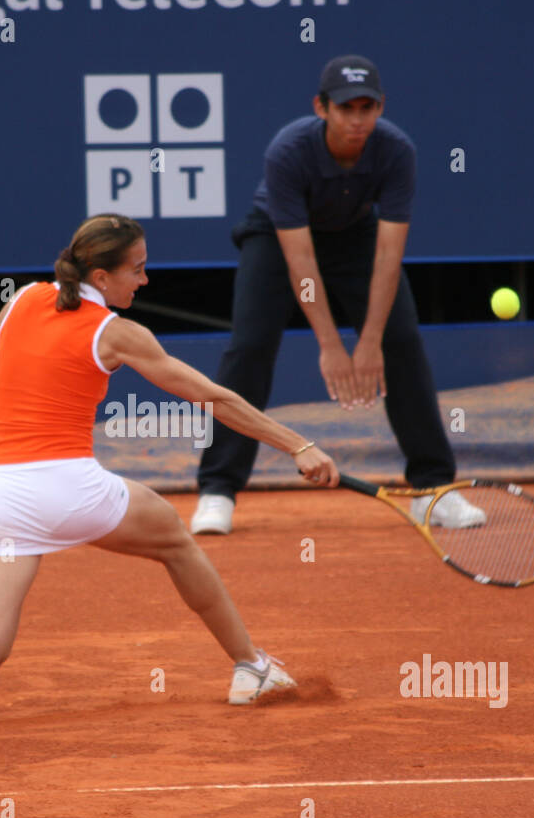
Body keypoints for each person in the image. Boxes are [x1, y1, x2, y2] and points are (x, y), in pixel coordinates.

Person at [0, 214, 340, 739]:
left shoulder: (23, 300)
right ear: (101, 277)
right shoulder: (117, 332)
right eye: (137, 270)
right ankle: (252, 669)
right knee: (176, 541)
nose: (144, 281)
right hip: (68, 488)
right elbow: (211, 397)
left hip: (4, 492)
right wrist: (297, 446)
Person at [190, 54, 485, 535]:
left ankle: (431, 490)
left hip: (355, 236)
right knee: (251, 347)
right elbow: (301, 260)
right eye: (347, 108)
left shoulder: (396, 151)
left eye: (368, 108)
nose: (357, 119)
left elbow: (389, 254)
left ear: (381, 108)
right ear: (321, 107)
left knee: (402, 343)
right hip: (278, 237)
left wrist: (369, 341)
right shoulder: (288, 151)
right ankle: (217, 489)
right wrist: (330, 345)